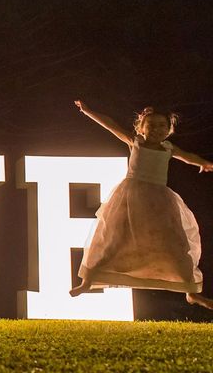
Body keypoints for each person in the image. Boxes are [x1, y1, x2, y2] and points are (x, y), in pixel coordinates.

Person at [70, 100, 213, 309]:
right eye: (151, 125)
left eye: (162, 126)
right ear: (141, 128)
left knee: (178, 243)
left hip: (159, 201)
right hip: (130, 198)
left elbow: (188, 157)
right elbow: (110, 125)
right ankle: (87, 282)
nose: (156, 129)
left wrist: (205, 163)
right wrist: (88, 111)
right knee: (112, 240)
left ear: (169, 130)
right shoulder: (135, 142)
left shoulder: (168, 148)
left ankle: (191, 293)